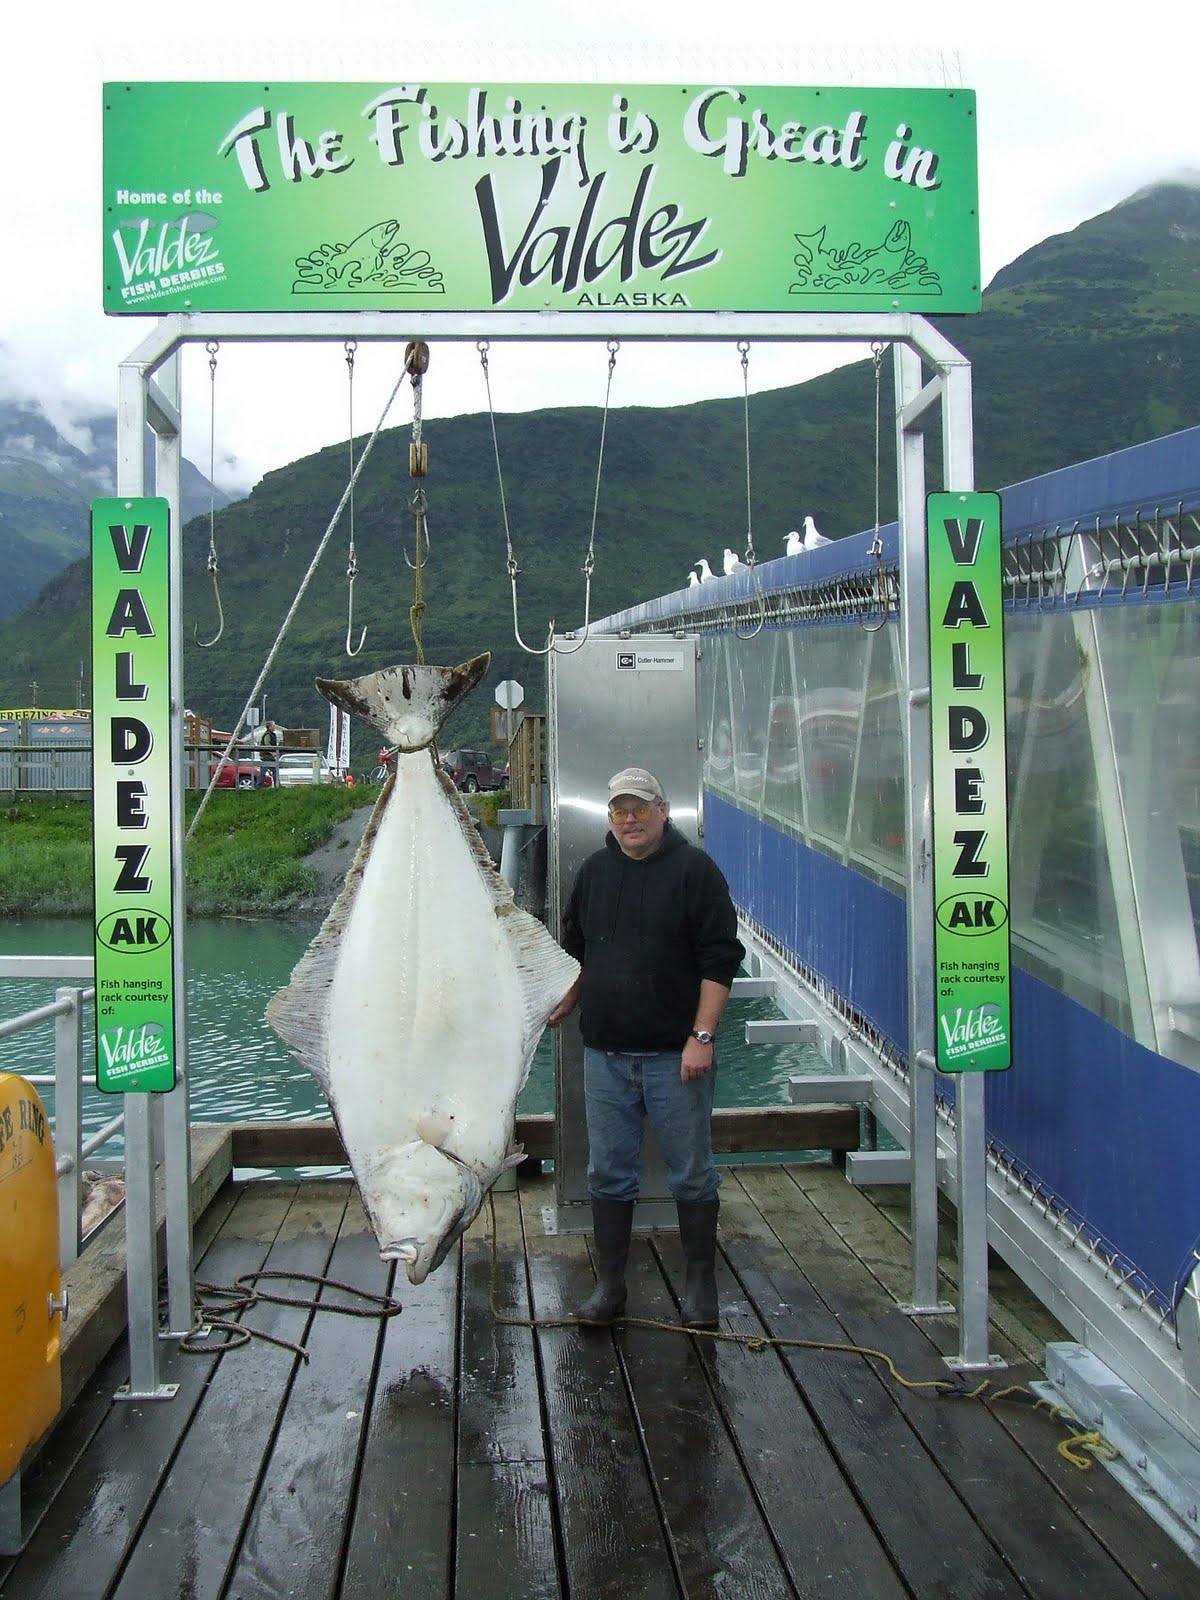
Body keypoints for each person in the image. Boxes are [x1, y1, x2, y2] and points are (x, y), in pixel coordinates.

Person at [549, 766, 745, 1331]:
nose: (629, 819)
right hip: (604, 1055)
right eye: (619, 810)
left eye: (639, 808)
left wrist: (701, 1037)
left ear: (663, 811)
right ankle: (610, 1285)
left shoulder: (696, 872)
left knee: (692, 1174)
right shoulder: (593, 872)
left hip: (675, 1058)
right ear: (610, 818)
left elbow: (720, 960)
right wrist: (567, 997)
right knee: (608, 1173)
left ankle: (700, 1284)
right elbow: (577, 950)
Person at [255, 719, 280, 786]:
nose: (274, 727)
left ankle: (277, 784)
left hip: (268, 756)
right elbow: (267, 745)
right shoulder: (268, 735)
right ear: (269, 727)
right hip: (266, 756)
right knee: (264, 771)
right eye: (273, 725)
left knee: (274, 770)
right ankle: (259, 785)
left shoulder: (271, 734)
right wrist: (272, 752)